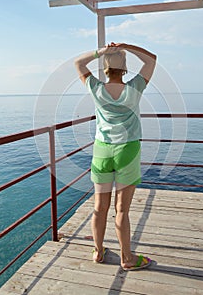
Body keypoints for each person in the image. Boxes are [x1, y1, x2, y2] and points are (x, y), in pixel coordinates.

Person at [74, 42, 157, 271]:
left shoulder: (95, 88)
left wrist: (100, 52)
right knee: (122, 210)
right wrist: (127, 46)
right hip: (127, 151)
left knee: (99, 207)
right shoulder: (135, 88)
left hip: (102, 150)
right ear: (125, 69)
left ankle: (98, 252)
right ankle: (127, 258)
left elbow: (78, 63)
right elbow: (152, 60)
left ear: (105, 69)